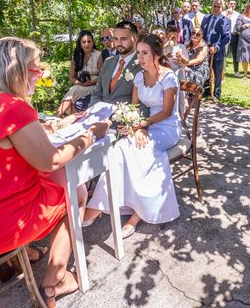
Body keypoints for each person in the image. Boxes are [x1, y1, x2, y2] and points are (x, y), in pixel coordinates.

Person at [0, 37, 111, 306]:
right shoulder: (11, 107)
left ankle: (22, 255)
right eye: (36, 70)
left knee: (33, 184)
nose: (39, 77)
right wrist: (90, 135)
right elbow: (50, 160)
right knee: (74, 193)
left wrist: (53, 126)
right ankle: (55, 280)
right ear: (15, 70)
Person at [83, 35, 181, 237]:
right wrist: (134, 127)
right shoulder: (139, 77)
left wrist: (142, 125)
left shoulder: (168, 77)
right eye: (139, 53)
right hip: (146, 124)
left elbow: (167, 112)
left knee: (142, 149)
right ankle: (101, 205)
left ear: (157, 54)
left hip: (166, 127)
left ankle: (136, 215)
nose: (141, 57)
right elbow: (135, 109)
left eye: (145, 53)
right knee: (120, 147)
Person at [89, 21, 144, 108]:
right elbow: (97, 93)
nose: (119, 43)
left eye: (123, 39)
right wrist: (93, 111)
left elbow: (144, 103)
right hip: (99, 116)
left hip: (124, 118)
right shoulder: (108, 62)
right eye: (115, 39)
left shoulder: (142, 64)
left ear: (135, 39)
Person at [56, 30, 100, 117]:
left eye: (89, 41)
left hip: (94, 86)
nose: (86, 44)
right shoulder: (76, 56)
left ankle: (56, 116)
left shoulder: (99, 55)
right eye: (83, 42)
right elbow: (71, 77)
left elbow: (102, 76)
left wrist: (91, 82)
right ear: (80, 43)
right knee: (75, 90)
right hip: (80, 85)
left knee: (74, 90)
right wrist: (79, 83)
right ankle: (65, 121)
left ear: (93, 42)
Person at [201, 0, 231, 100]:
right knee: (205, 70)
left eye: (219, 6)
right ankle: (207, 91)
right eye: (215, 6)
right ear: (212, 6)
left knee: (218, 74)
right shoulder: (206, 18)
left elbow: (227, 37)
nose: (217, 8)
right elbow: (201, 32)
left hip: (217, 51)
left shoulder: (226, 21)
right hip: (205, 50)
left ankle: (216, 93)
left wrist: (216, 47)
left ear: (222, 8)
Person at [224, 0, 241, 76]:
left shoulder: (237, 14)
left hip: (235, 35)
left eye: (234, 4)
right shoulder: (223, 13)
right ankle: (222, 71)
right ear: (227, 4)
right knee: (224, 54)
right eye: (231, 3)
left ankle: (236, 71)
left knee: (235, 54)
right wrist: (228, 15)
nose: (232, 5)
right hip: (226, 35)